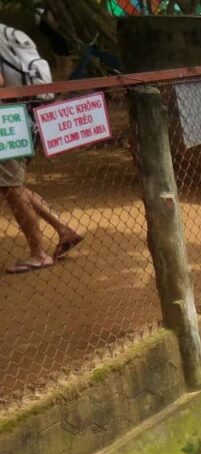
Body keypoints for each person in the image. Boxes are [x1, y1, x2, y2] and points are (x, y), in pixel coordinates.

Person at [0, 23, 81, 274]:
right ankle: (63, 229)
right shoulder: (8, 32)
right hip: (24, 114)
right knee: (13, 184)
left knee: (10, 187)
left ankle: (39, 253)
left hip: (7, 119)